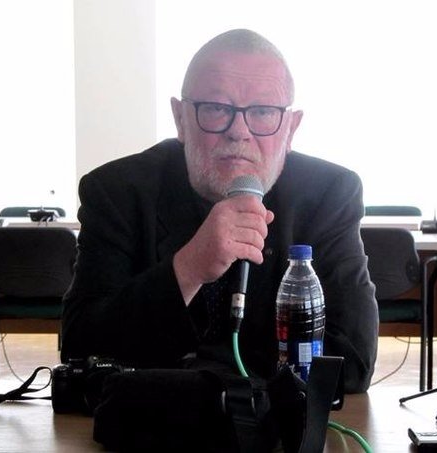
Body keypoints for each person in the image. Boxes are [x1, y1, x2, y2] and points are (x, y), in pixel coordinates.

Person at [61, 28, 378, 394]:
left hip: (268, 423)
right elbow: (80, 347)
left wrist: (207, 376)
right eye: (216, 108)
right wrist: (187, 269)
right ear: (180, 119)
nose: (239, 131)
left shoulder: (328, 194)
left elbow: (353, 361)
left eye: (263, 112)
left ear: (291, 129)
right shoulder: (117, 191)